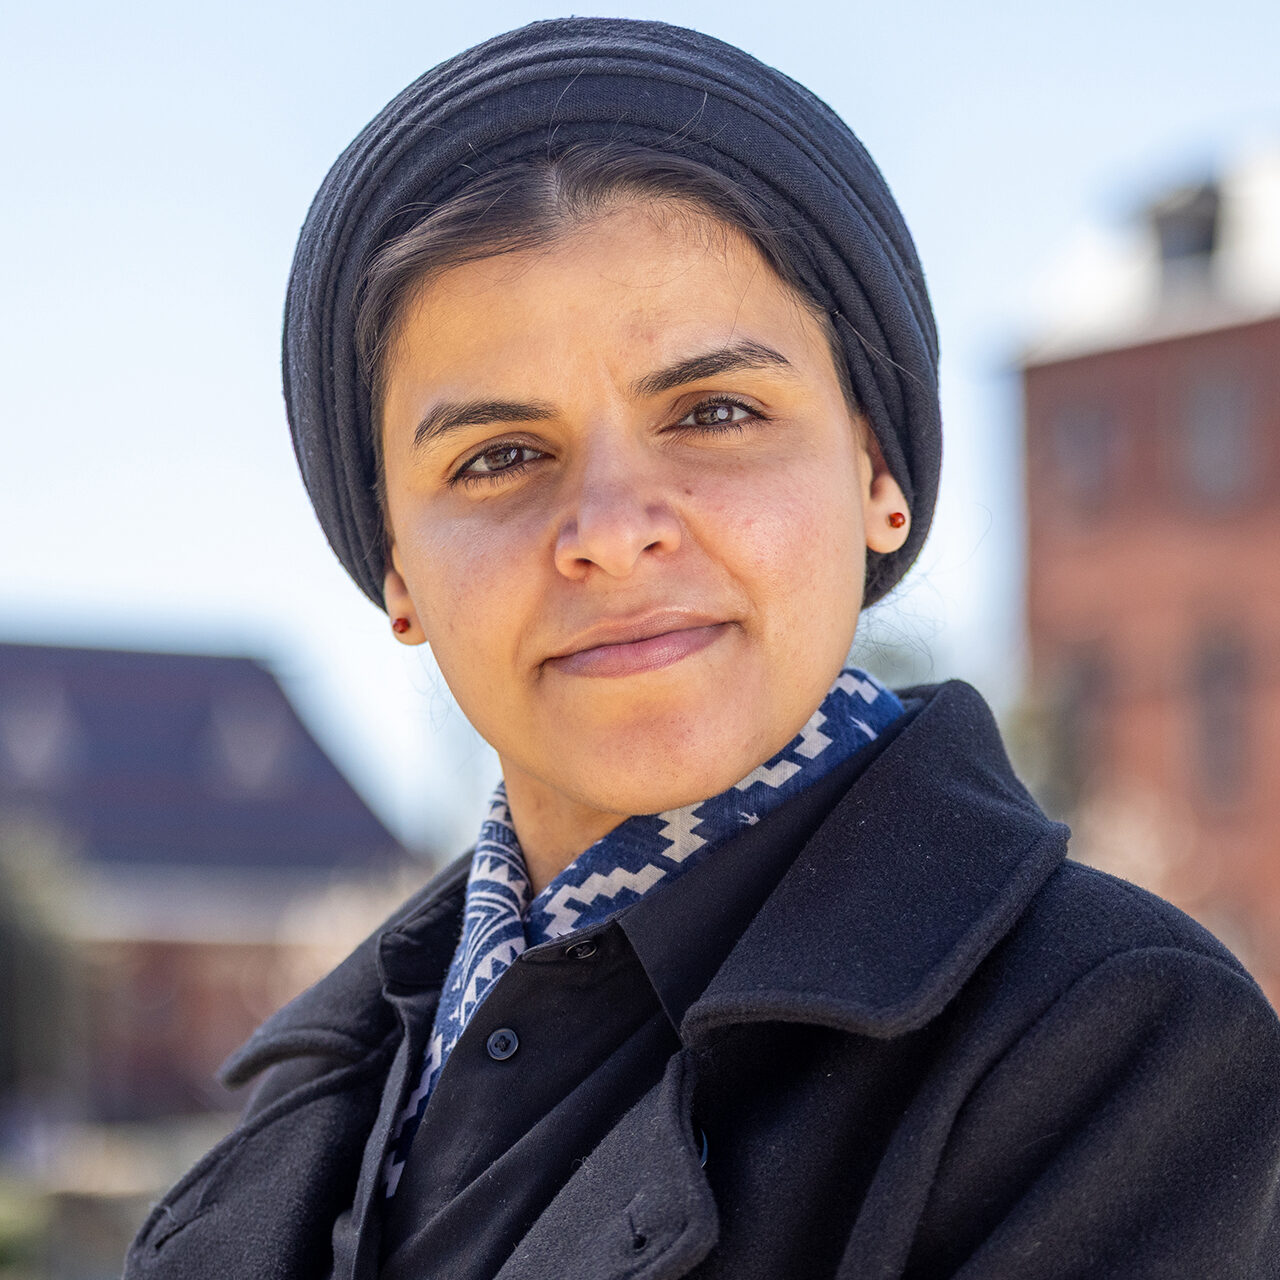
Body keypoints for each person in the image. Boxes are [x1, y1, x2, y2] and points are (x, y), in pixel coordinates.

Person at [124, 18, 1280, 1280]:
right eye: (499, 456)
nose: (612, 535)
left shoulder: (1109, 1052)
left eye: (715, 412)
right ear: (394, 564)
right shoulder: (313, 1099)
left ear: (877, 472)